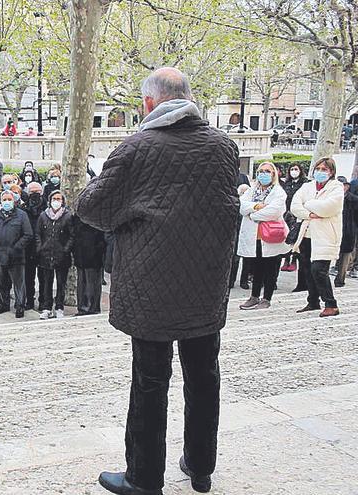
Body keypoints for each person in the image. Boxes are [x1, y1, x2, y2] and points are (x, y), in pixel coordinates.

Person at [75, 68, 240, 495]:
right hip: (205, 287)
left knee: (150, 382)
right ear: (187, 98)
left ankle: (143, 478)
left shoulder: (136, 148)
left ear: (149, 103)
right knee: (204, 376)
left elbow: (92, 208)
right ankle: (200, 466)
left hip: (152, 290)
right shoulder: (224, 147)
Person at [291, 157, 344, 317]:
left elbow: (329, 207)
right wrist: (309, 213)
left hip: (325, 235)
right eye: (318, 169)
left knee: (319, 270)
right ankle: (313, 301)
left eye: (324, 169)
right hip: (307, 234)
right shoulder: (307, 187)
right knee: (307, 269)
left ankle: (331, 304)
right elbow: (294, 206)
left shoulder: (336, 187)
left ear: (331, 172)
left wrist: (308, 204)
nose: (320, 172)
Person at [236, 163, 290, 310]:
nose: (263, 174)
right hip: (254, 237)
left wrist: (252, 214)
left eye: (267, 171)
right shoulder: (252, 190)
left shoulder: (278, 192)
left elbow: (274, 211)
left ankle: (267, 298)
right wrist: (256, 206)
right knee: (256, 267)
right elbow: (241, 206)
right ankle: (254, 296)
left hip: (272, 236)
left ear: (273, 174)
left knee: (271, 268)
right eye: (260, 171)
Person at [0, 190, 33, 318]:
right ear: (1, 202)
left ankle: (20, 306)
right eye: (4, 200)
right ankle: (4, 304)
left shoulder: (21, 215)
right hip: (0, 255)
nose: (7, 202)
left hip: (16, 256)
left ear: (14, 200)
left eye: (9, 199)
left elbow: (28, 235)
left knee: (18, 283)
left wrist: (17, 247)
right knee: (2, 282)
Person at [36, 191, 74, 319]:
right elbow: (38, 234)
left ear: (63, 201)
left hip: (61, 256)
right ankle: (47, 308)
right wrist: (40, 248)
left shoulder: (67, 216)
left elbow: (71, 235)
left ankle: (59, 307)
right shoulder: (43, 216)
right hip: (45, 255)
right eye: (54, 198)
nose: (56, 201)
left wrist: (65, 250)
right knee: (47, 283)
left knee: (61, 284)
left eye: (59, 199)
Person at [281, 163, 309, 273]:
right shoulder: (286, 183)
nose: (294, 171)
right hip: (286, 214)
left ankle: (294, 260)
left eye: (296, 169)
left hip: (297, 215)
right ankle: (286, 260)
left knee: (296, 239)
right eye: (292, 169)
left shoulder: (305, 184)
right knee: (287, 238)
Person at [20, 182, 44, 310]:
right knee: (28, 278)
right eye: (32, 192)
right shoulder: (23, 209)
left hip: (43, 249)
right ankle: (29, 301)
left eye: (37, 192)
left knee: (44, 278)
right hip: (28, 249)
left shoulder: (47, 208)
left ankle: (43, 302)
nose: (35, 195)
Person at [334, 177, 358, 287]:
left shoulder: (354, 200)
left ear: (347, 187)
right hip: (333, 230)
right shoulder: (332, 199)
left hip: (348, 230)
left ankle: (340, 279)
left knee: (345, 255)